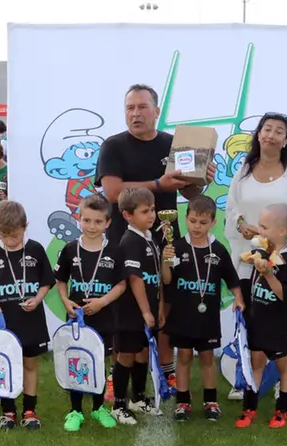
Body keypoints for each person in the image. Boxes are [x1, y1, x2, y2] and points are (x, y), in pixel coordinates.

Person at [95, 83, 216, 392]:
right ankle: (116, 375)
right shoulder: (113, 145)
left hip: (166, 238)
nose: (135, 113)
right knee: (125, 309)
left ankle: (166, 370)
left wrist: (202, 179)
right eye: (130, 108)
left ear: (157, 111)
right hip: (124, 241)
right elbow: (111, 191)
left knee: (166, 304)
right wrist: (158, 184)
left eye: (142, 107)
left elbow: (188, 189)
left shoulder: (175, 144)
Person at [223, 112, 287, 400]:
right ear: (258, 134)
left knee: (279, 320)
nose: (271, 134)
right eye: (267, 129)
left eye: (279, 131)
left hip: (281, 258)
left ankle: (281, 377)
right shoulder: (243, 172)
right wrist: (242, 226)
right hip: (249, 259)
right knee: (249, 316)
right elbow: (232, 209)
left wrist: (273, 245)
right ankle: (245, 376)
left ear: (286, 140)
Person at [160, 195, 244, 422]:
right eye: (193, 221)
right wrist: (164, 261)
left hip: (207, 317)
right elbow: (167, 280)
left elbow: (232, 279)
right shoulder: (176, 247)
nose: (197, 226)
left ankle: (211, 401)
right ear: (186, 219)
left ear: (213, 223)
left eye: (203, 222)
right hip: (182, 315)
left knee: (207, 357)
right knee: (184, 356)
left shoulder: (218, 250)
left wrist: (238, 298)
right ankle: (183, 402)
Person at [0, 200, 54, 430]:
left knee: (30, 364)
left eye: (15, 236)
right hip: (5, 323)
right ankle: (8, 411)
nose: (10, 241)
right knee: (6, 365)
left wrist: (38, 299)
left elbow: (47, 281)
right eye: (5, 235)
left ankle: (30, 410)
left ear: (26, 226)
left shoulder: (36, 250)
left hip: (31, 320)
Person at [54, 194, 125, 432]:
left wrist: (103, 302)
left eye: (97, 221)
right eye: (87, 220)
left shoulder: (115, 250)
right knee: (76, 360)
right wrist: (65, 301)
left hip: (104, 316)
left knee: (98, 362)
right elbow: (60, 280)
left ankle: (97, 408)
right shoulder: (69, 249)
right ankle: (75, 411)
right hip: (77, 318)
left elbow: (122, 285)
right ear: (79, 219)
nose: (91, 226)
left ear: (107, 223)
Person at [235, 203, 287, 429]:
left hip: (279, 325)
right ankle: (249, 407)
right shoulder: (262, 253)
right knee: (256, 364)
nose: (258, 230)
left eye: (264, 227)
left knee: (284, 366)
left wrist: (269, 274)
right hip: (258, 321)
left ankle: (283, 409)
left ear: (281, 231)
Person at [111, 187, 165, 424]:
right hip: (131, 312)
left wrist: (157, 308)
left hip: (148, 310)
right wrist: (144, 311)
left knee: (143, 352)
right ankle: (119, 404)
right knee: (127, 355)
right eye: (145, 211)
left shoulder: (149, 237)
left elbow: (156, 278)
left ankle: (138, 397)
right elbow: (135, 278)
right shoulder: (130, 240)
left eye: (152, 209)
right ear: (127, 215)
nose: (151, 215)